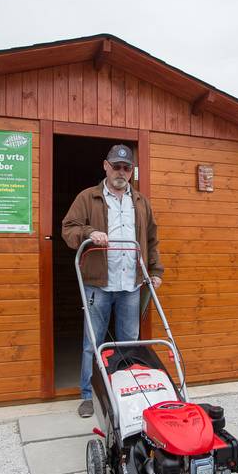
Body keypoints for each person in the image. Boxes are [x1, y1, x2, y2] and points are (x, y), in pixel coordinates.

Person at [62, 144, 163, 418]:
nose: (121, 172)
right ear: (105, 166)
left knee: (129, 341)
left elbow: (152, 240)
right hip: (99, 283)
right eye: (116, 166)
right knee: (92, 343)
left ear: (131, 171)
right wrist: (89, 233)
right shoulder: (88, 197)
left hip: (131, 283)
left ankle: (127, 391)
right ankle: (87, 396)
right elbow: (68, 229)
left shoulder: (140, 202)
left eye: (126, 167)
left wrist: (155, 271)